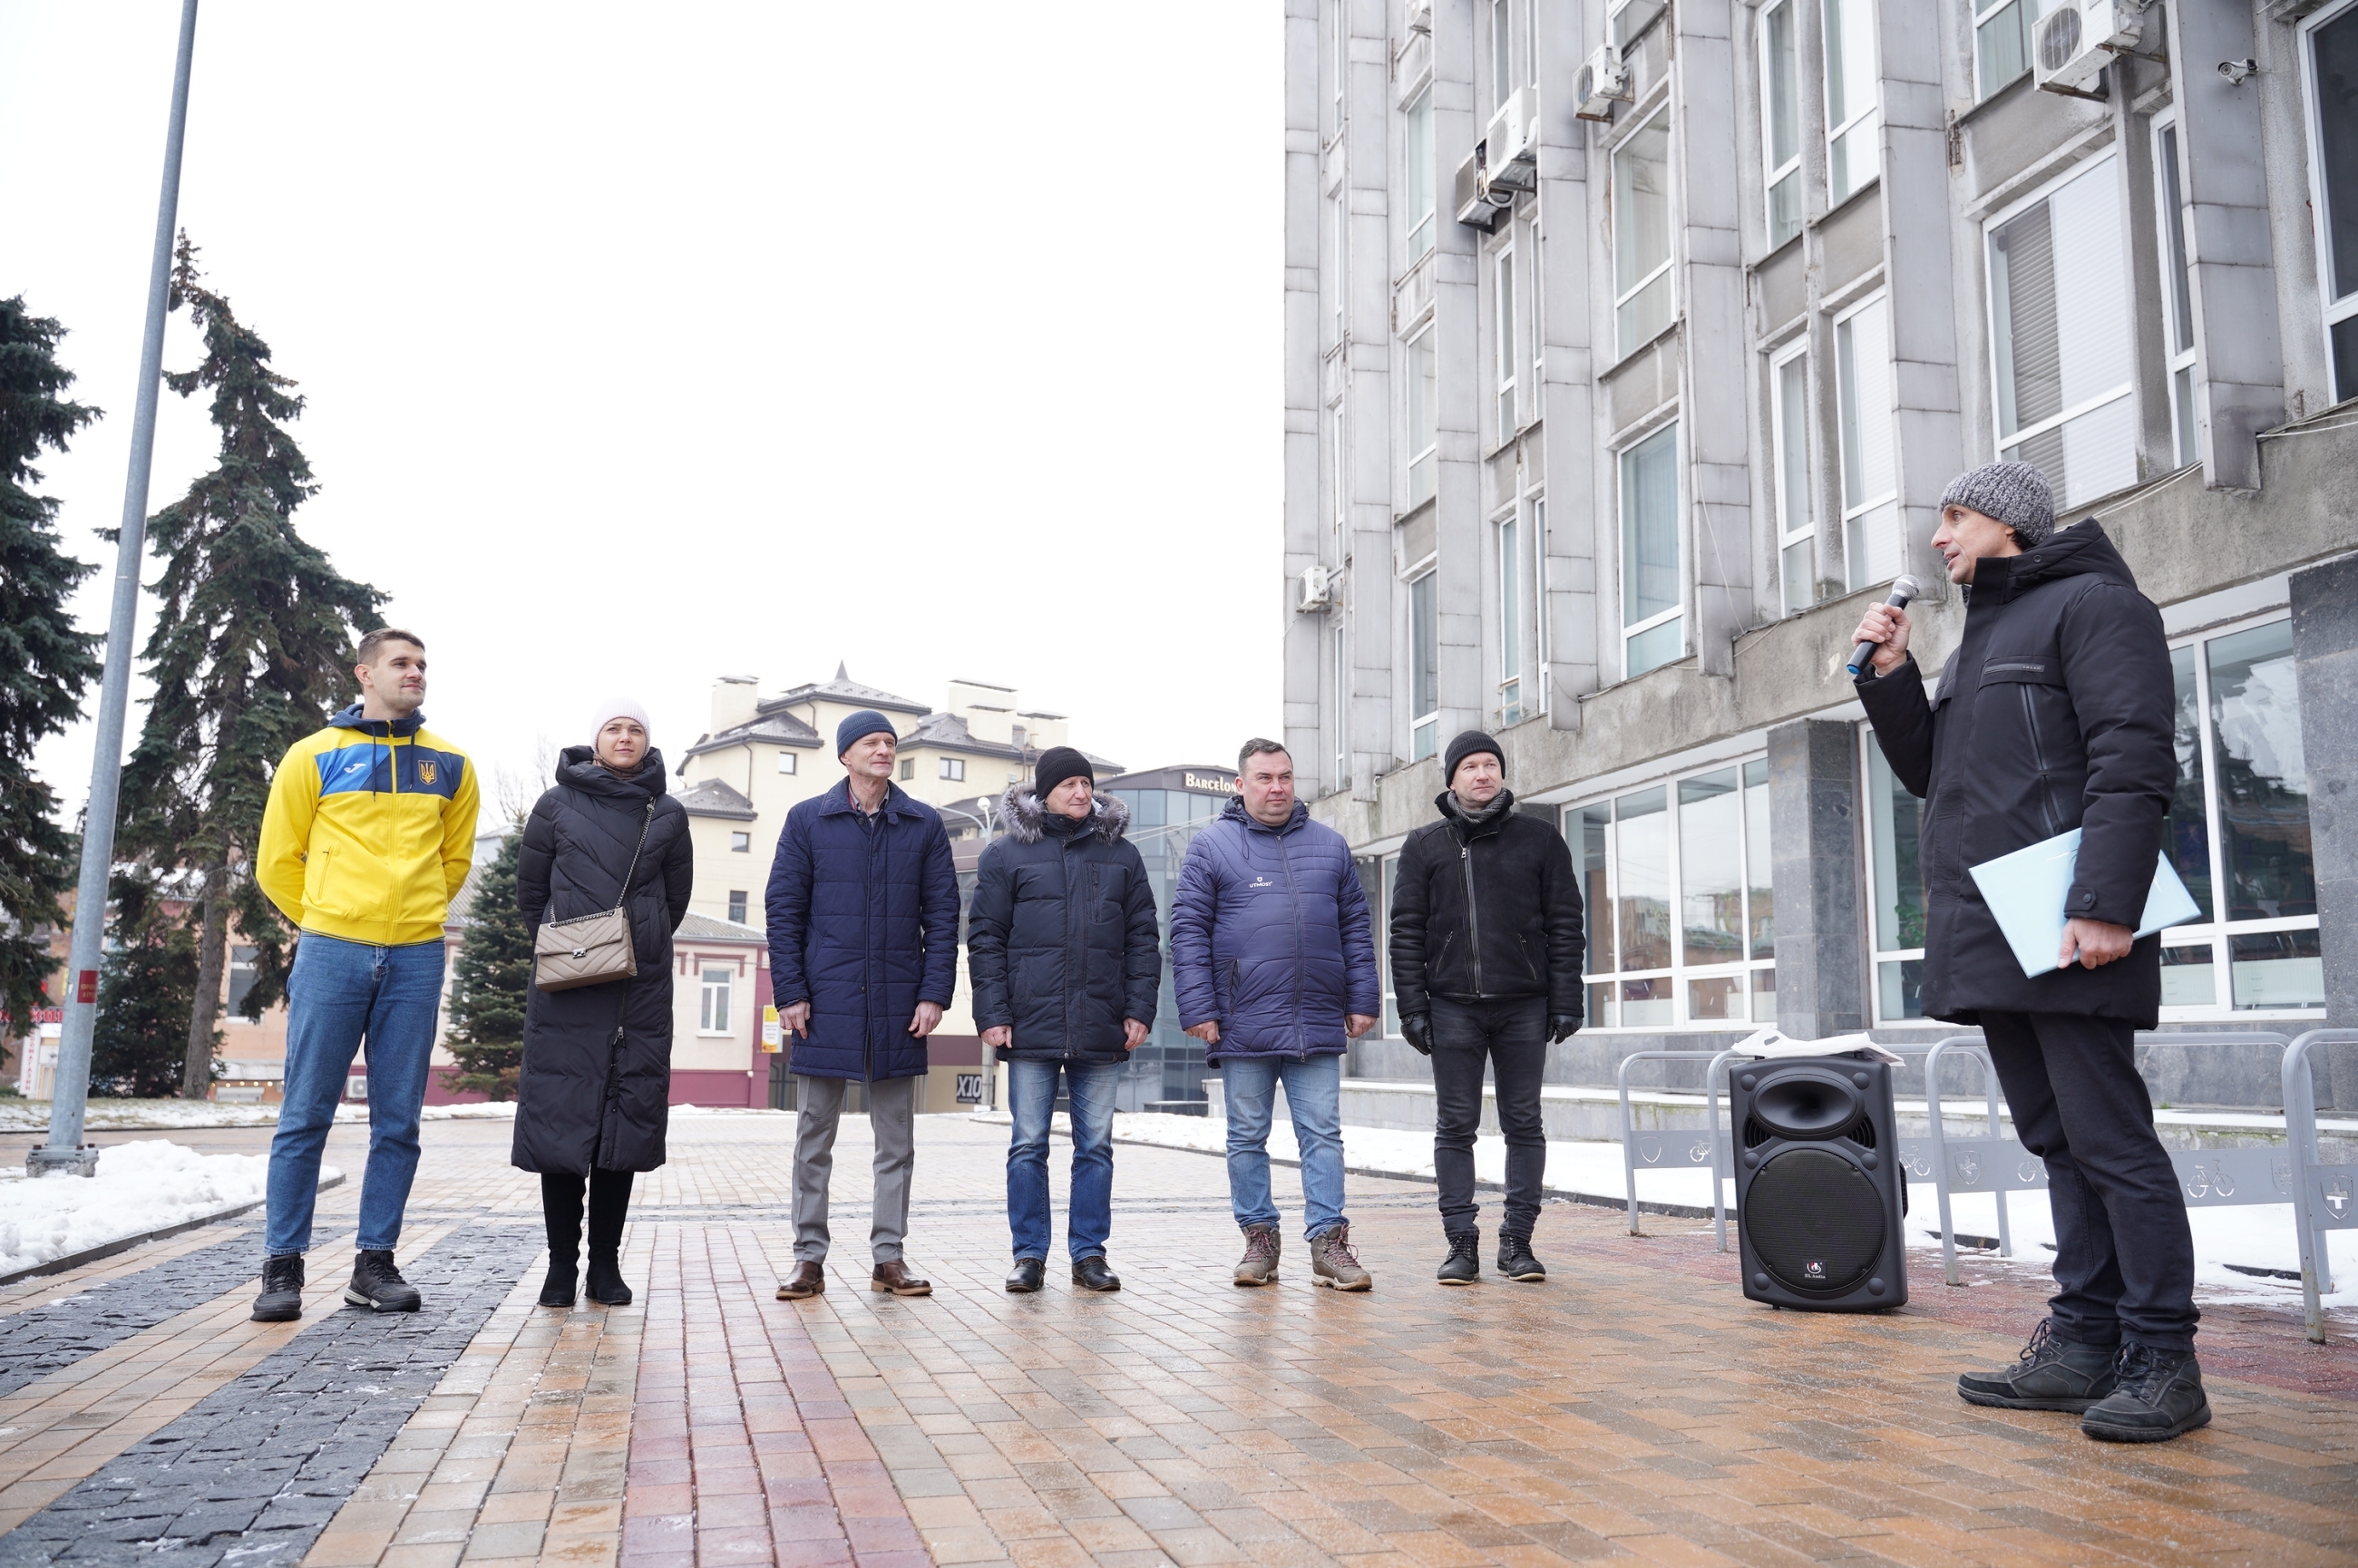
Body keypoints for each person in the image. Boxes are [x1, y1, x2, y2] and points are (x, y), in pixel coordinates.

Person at [1852, 462, 2205, 1444]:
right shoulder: (1983, 632)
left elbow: (2131, 757)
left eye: (1952, 515)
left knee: (2109, 1141)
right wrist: (1892, 680)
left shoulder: (2095, 606)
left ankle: (2163, 1358)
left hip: (2068, 925)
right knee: (2055, 1140)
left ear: (2006, 524)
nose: (1937, 538)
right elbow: (1939, 775)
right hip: (1995, 929)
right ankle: (2084, 1341)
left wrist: (2105, 903)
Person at [249, 628, 480, 1320]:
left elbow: (454, 860)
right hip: (331, 950)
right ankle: (282, 1268)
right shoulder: (312, 756)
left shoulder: (452, 765)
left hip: (415, 956)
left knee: (398, 1120)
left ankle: (373, 1264)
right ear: (365, 673)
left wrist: (415, 916)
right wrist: (327, 919)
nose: (416, 674)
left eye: (422, 665)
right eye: (402, 664)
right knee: (304, 1115)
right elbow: (276, 861)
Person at [1172, 740, 1381, 1290]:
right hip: (1242, 1019)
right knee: (1246, 1135)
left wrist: (1362, 997)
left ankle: (1329, 1243)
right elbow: (1187, 933)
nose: (1277, 787)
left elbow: (1357, 929)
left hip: (1316, 1016)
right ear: (1241, 786)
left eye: (1285, 776)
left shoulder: (1330, 847)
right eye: (1264, 778)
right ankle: (1259, 1239)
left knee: (1323, 1134)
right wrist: (1199, 1007)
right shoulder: (1211, 848)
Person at [765, 709, 959, 1300]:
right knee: (813, 1137)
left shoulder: (922, 824)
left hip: (900, 1006)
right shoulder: (807, 821)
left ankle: (888, 1256)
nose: (884, 750)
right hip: (825, 1004)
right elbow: (783, 911)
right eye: (872, 742)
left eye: (889, 742)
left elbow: (944, 916)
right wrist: (791, 993)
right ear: (846, 754)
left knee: (895, 1141)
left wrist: (933, 994)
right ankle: (808, 1258)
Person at [511, 700, 693, 1309]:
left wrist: (631, 940)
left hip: (636, 994)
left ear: (648, 741)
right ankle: (561, 1266)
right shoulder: (555, 805)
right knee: (562, 1131)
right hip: (567, 986)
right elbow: (531, 893)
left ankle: (604, 1267)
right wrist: (575, 944)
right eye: (614, 727)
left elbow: (675, 900)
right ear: (594, 739)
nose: (625, 735)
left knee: (621, 1133)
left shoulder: (666, 812)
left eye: (636, 728)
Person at [1388, 731, 1583, 1287]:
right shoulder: (1424, 845)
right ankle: (1461, 1245)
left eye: (1491, 764)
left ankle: (1518, 1243)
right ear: (1451, 778)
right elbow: (1405, 933)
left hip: (1525, 1005)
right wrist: (1412, 1007)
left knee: (1525, 1123)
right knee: (1456, 1126)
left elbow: (1566, 924)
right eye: (1470, 765)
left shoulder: (1540, 840)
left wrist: (1567, 999)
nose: (1482, 774)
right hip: (1452, 1008)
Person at [967, 746, 1161, 1294]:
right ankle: (1029, 1255)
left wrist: (1138, 1009)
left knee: (1095, 1146)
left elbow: (1144, 938)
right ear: (1044, 791)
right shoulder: (1006, 855)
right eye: (1071, 783)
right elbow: (985, 940)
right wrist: (993, 1014)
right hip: (1028, 1024)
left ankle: (1089, 1255)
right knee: (1028, 1143)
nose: (1082, 793)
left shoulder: (1121, 855)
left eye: (1087, 783)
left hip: (1101, 1023)